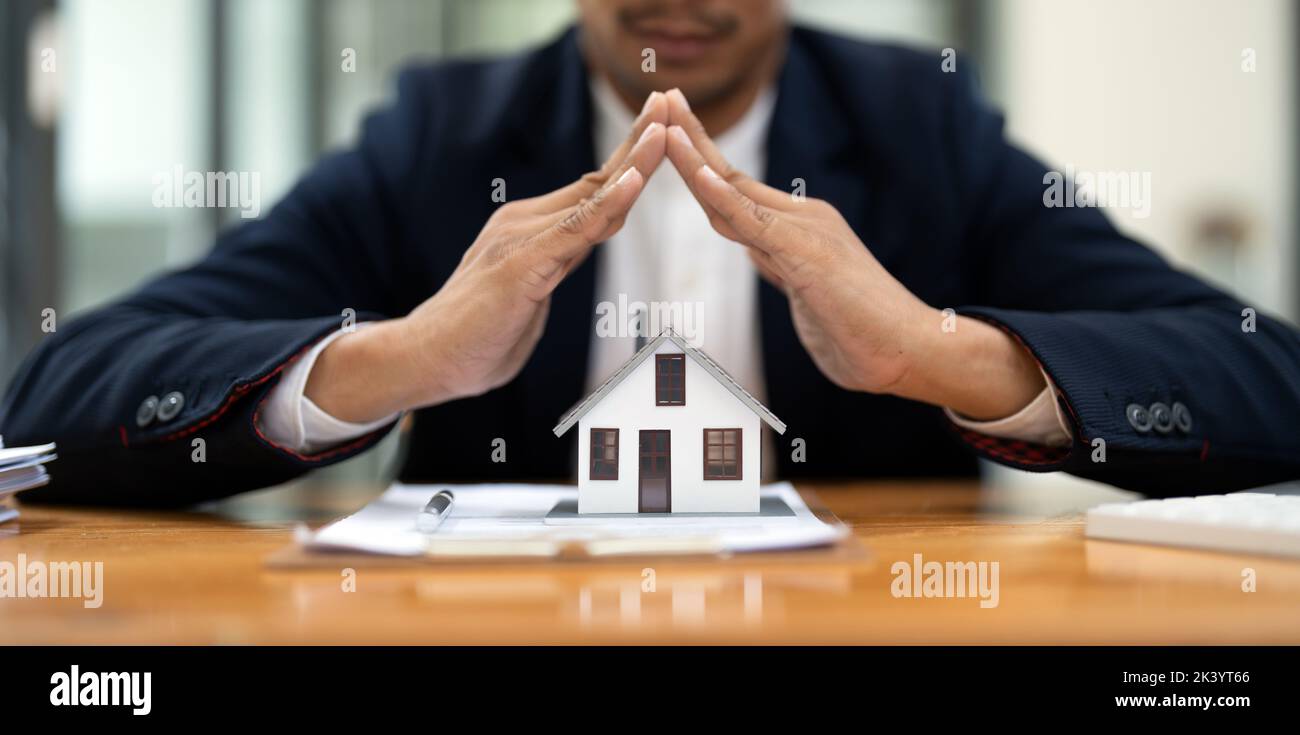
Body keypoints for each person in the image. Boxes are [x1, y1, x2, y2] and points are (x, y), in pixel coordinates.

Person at [3, 0, 1298, 506]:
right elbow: (59, 394)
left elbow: (1264, 380)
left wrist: (939, 353)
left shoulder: (922, 127)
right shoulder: (439, 137)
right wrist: (402, 358)